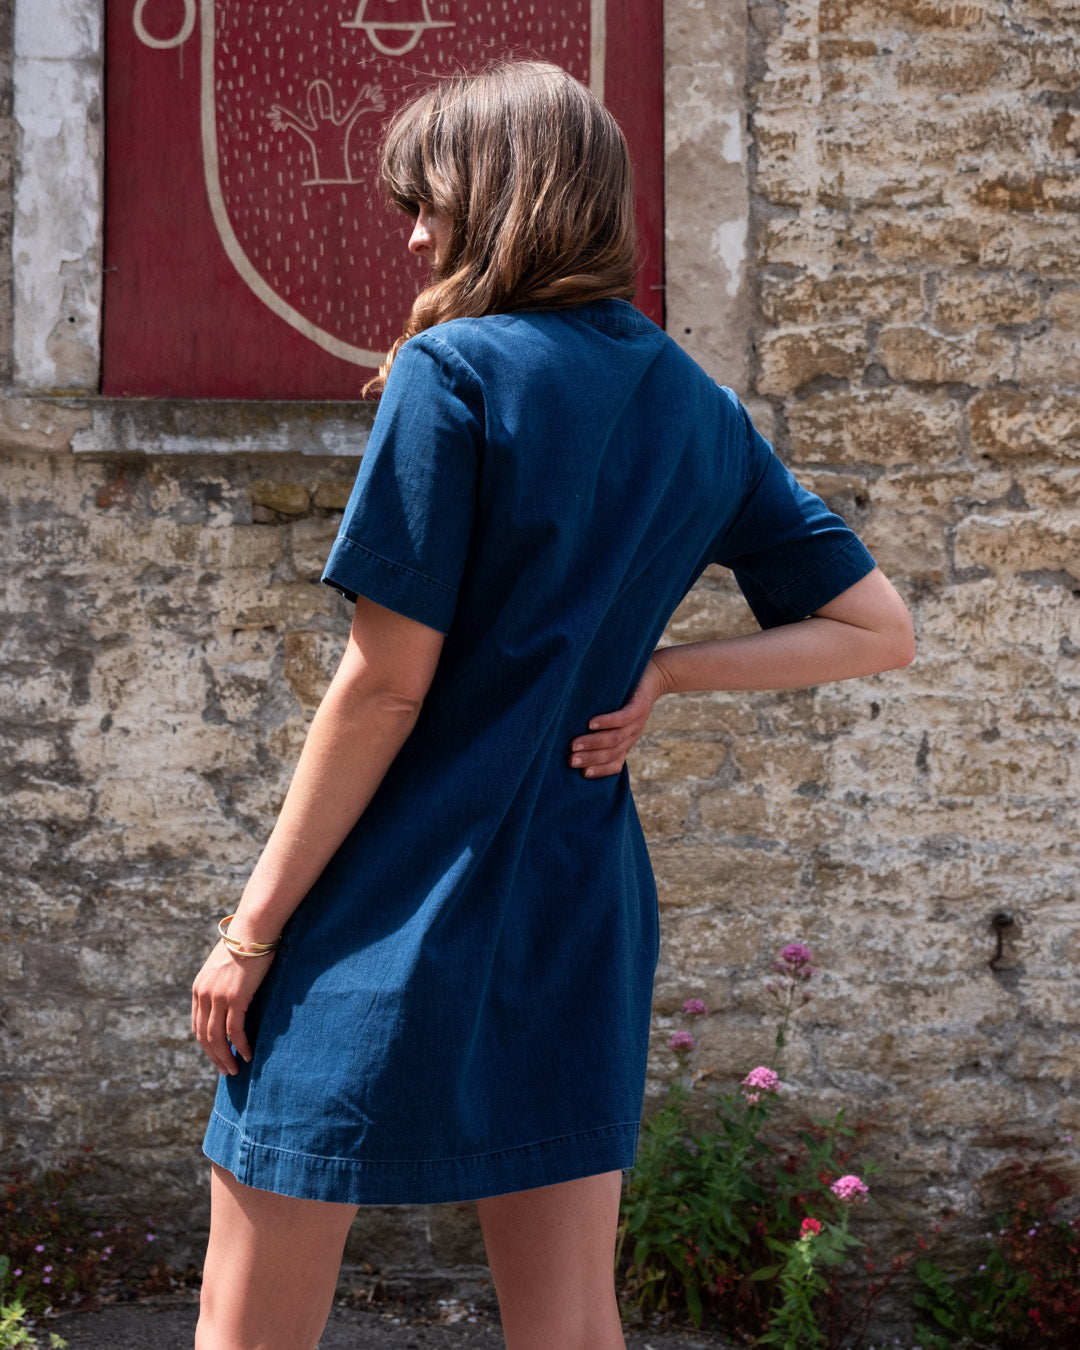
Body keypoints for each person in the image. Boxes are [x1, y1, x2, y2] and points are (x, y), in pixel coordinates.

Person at [190, 60, 914, 1350]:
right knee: (571, 1318)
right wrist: (665, 670)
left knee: (252, 1306)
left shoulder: (453, 371)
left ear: (502, 196)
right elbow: (877, 630)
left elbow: (385, 685)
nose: (414, 237)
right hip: (578, 897)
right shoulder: (697, 406)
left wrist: (248, 936)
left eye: (429, 204)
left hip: (394, 898)